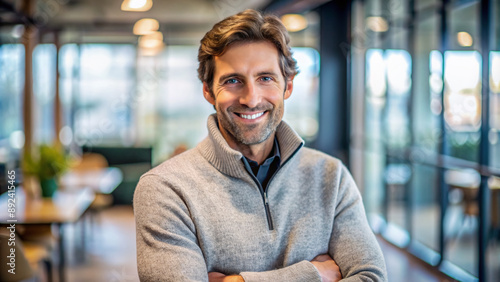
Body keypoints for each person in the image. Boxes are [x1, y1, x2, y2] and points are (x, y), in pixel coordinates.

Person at [134, 9, 387, 282]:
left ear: (287, 86)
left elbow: (370, 277)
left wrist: (237, 281)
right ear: (207, 90)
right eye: (233, 81)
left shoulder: (331, 177)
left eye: (265, 78)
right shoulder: (165, 189)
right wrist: (313, 274)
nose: (251, 99)